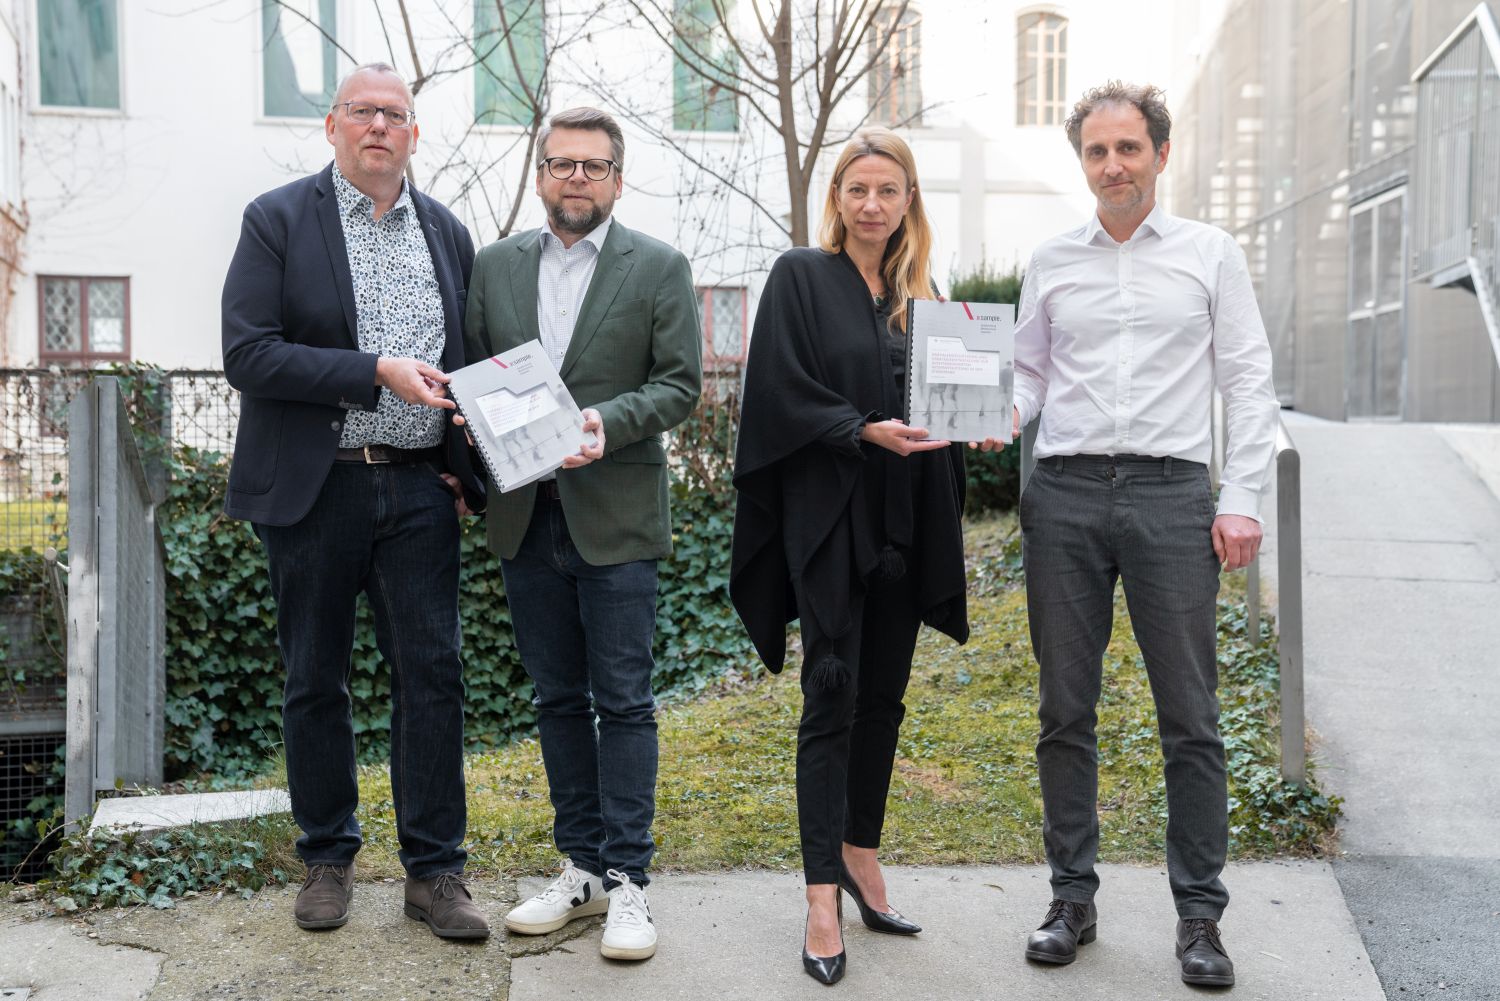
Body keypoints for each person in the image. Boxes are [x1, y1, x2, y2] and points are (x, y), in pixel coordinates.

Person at [1008, 81, 1278, 988]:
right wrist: (980, 416)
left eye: (1129, 148)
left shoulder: (1211, 254)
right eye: (1096, 151)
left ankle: (1200, 916)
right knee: (1063, 710)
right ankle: (1070, 899)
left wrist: (1240, 496)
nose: (1113, 165)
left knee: (1191, 718)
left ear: (1162, 153)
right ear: (1081, 161)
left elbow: (1247, 381)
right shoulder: (1051, 259)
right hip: (1067, 494)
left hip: (1172, 498)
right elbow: (1028, 378)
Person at [221, 63, 489, 939]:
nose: (380, 125)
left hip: (416, 490)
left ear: (415, 134)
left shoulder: (448, 233)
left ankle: (435, 871)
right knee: (315, 679)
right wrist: (370, 370)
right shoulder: (278, 220)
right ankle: (327, 857)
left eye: (396, 114)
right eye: (363, 111)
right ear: (332, 127)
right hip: (317, 483)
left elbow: (468, 367)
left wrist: (464, 464)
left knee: (433, 677)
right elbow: (249, 354)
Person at [730, 127, 977, 986]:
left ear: (910, 200)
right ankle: (821, 896)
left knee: (884, 701)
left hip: (905, 522)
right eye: (857, 189)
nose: (872, 205)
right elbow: (778, 389)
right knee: (830, 700)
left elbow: (950, 397)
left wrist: (981, 416)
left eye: (888, 190)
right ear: (836, 199)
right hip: (832, 521)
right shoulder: (802, 277)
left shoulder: (923, 293)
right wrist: (859, 427)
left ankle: (861, 853)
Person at [463, 107, 702, 962]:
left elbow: (680, 386)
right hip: (526, 515)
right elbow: (474, 378)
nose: (576, 178)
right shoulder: (492, 267)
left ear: (616, 179)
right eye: (561, 164)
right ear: (539, 175)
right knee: (556, 699)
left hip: (618, 515)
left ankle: (631, 878)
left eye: (592, 166)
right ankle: (583, 869)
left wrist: (606, 418)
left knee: (626, 701)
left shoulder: (659, 267)